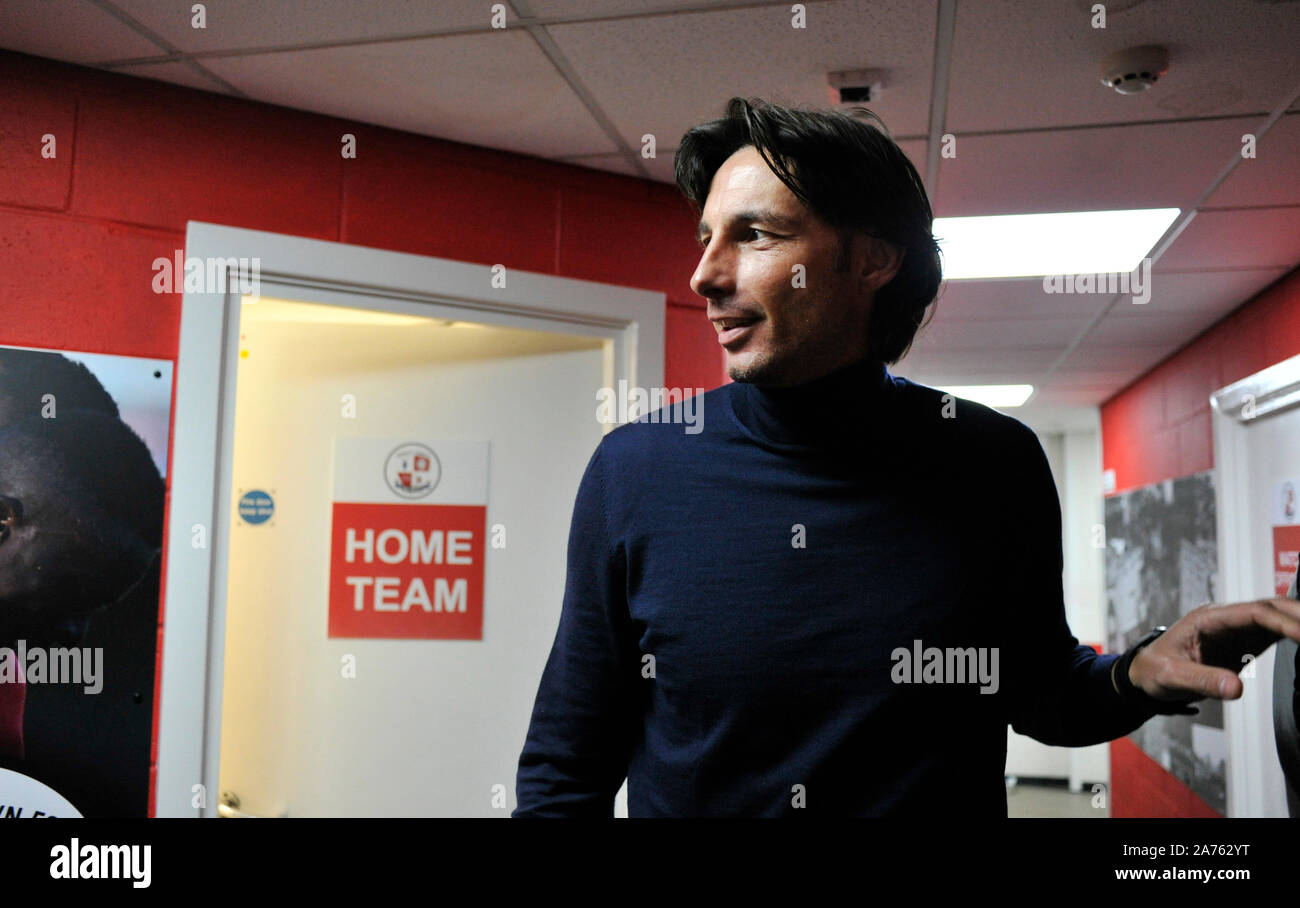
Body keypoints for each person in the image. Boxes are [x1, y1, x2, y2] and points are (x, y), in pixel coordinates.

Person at [512, 97, 1300, 817]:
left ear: (871, 260)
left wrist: (1135, 674)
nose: (704, 274)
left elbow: (1038, 691)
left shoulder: (993, 462)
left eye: (754, 234)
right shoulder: (636, 470)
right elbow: (566, 767)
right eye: (705, 237)